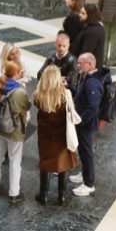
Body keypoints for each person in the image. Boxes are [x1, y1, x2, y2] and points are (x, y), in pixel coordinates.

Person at [0, 61, 31, 204]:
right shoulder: (19, 91)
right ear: (17, 74)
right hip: (14, 131)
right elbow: (27, 106)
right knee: (15, 162)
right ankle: (14, 194)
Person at [34, 66, 79, 206]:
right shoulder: (66, 94)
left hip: (45, 135)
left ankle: (43, 196)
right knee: (63, 164)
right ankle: (62, 197)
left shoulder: (38, 95)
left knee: (45, 163)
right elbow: (72, 112)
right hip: (62, 136)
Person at [71, 53, 107, 197]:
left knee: (86, 152)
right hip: (83, 122)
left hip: (85, 123)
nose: (78, 65)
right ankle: (84, 174)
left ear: (90, 64)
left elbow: (93, 107)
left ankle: (88, 183)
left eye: (81, 63)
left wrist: (80, 120)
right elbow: (82, 95)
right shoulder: (88, 78)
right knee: (83, 150)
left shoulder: (92, 82)